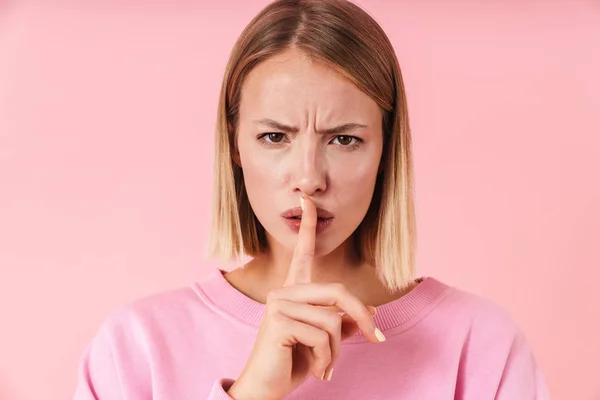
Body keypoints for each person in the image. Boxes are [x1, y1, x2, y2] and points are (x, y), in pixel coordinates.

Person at [73, 0, 551, 398]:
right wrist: (252, 392)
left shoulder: (482, 344)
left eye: (344, 140)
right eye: (275, 136)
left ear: (387, 152)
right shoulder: (134, 347)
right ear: (234, 145)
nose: (308, 178)